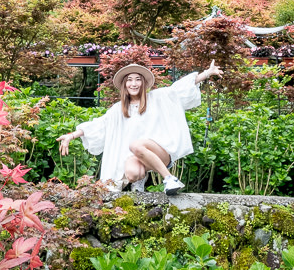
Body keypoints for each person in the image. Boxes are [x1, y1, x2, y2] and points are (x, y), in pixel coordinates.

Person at [56, 60, 222, 195]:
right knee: (132, 173)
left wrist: (207, 73)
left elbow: (178, 90)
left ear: (143, 83)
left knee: (136, 145)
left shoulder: (157, 98)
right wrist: (72, 135)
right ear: (124, 85)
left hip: (160, 153)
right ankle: (140, 182)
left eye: (137, 79)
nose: (133, 84)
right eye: (129, 80)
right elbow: (98, 125)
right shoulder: (118, 109)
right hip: (138, 156)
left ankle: (170, 179)